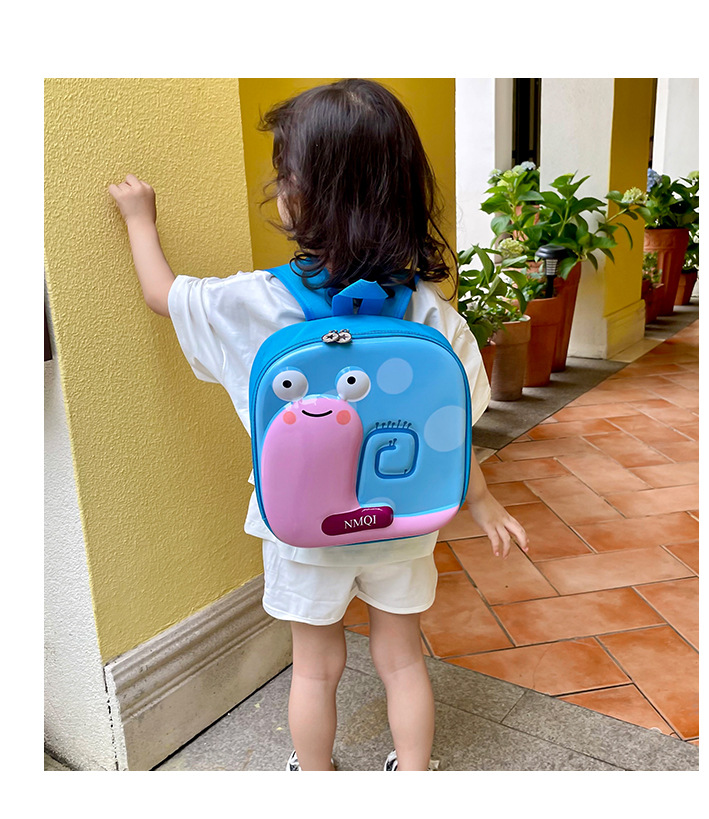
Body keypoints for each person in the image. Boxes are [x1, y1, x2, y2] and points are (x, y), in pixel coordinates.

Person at [108, 78, 529, 772]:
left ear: (301, 195)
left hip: (303, 529)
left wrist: (138, 218)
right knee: (402, 657)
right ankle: (414, 775)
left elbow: (163, 294)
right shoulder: (434, 316)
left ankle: (317, 776)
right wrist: (484, 504)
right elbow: (454, 435)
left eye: (285, 174)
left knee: (314, 665)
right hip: (402, 522)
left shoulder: (255, 304)